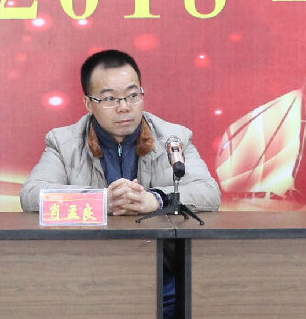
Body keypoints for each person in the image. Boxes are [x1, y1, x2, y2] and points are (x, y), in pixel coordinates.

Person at [19, 49, 220, 215]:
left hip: (155, 245)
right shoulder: (63, 143)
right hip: (91, 247)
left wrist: (156, 199)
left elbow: (208, 192)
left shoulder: (173, 138)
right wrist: (101, 200)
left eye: (133, 95)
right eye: (109, 98)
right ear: (89, 104)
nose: (124, 107)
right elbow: (31, 195)